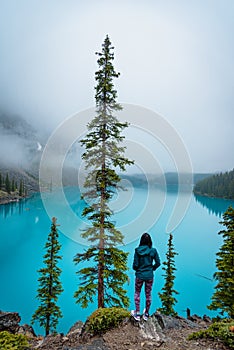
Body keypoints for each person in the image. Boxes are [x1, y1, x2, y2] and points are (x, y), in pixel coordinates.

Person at [131, 232, 160, 321]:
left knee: (137, 293)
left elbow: (135, 265)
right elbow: (158, 263)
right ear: (150, 241)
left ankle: (138, 313)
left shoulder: (137, 250)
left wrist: (138, 269)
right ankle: (146, 314)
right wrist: (152, 269)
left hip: (139, 275)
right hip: (149, 276)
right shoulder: (153, 251)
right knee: (148, 294)